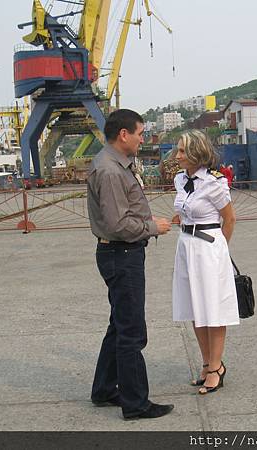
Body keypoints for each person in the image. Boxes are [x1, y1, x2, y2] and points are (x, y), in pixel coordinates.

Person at [87, 109, 174, 420]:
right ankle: (136, 403)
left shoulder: (114, 164)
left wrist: (145, 222)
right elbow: (116, 224)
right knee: (132, 332)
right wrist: (153, 227)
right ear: (123, 135)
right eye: (139, 133)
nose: (142, 139)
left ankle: (104, 389)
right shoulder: (110, 171)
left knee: (119, 325)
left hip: (120, 253)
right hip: (122, 254)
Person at [171, 130, 239, 395]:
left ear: (196, 154)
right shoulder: (180, 180)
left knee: (212, 308)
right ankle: (207, 363)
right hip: (186, 246)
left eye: (181, 151)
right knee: (195, 308)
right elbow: (183, 213)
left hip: (209, 247)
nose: (176, 156)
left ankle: (216, 367)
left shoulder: (215, 182)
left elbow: (230, 219)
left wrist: (220, 250)